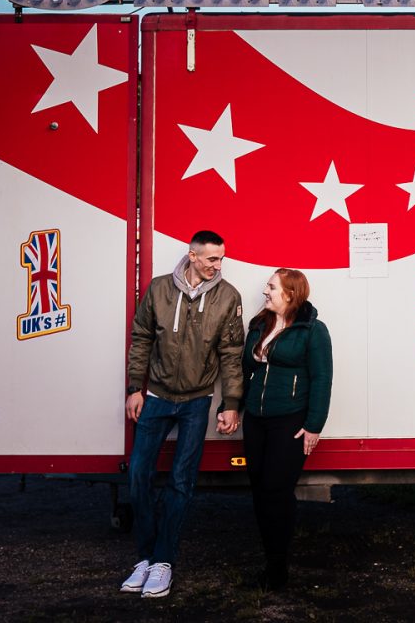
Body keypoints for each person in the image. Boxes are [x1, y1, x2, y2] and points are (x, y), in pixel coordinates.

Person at [122, 230, 245, 599]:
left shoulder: (228, 297)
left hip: (196, 400)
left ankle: (163, 561)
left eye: (221, 259)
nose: (218, 266)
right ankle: (145, 557)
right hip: (156, 397)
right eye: (211, 259)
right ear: (192, 256)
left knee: (181, 481)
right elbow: (141, 337)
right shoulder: (159, 289)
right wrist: (134, 389)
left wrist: (232, 403)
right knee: (139, 475)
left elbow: (231, 355)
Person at [241, 268, 333, 591]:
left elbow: (322, 379)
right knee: (259, 491)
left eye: (271, 288)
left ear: (290, 294)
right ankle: (270, 558)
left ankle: (277, 567)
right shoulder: (259, 325)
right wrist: (235, 408)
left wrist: (313, 426)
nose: (265, 292)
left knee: (276, 492)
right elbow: (245, 370)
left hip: (290, 421)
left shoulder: (313, 330)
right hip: (255, 420)